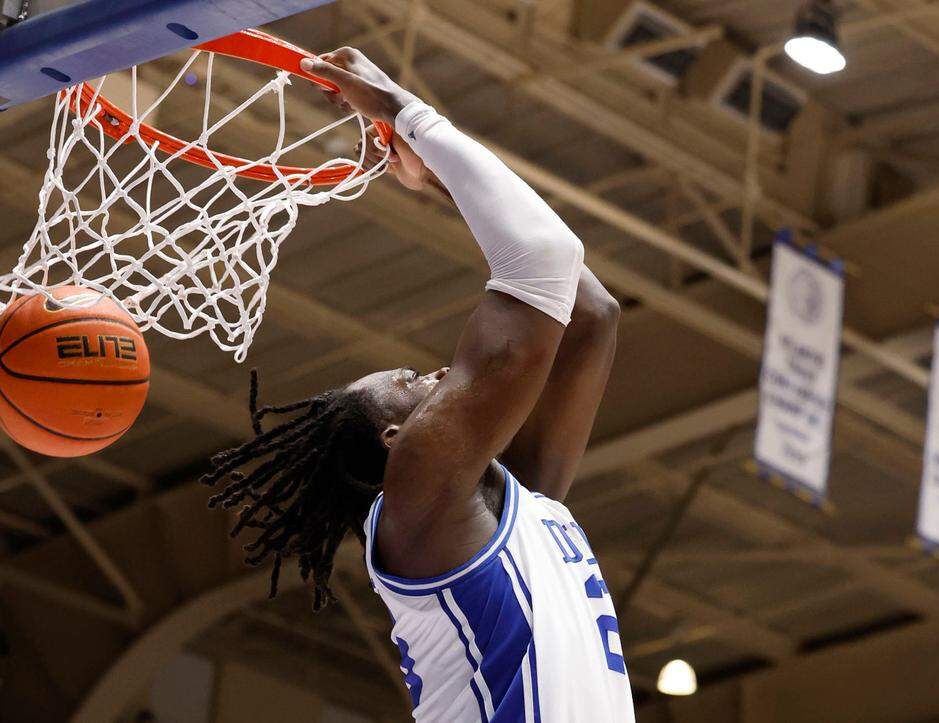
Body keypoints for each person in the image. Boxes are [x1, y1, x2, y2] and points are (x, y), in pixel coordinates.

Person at [201, 46, 632, 722]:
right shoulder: (418, 497)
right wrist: (407, 113)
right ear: (398, 439)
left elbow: (593, 316)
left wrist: (437, 178)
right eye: (407, 380)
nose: (433, 370)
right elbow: (546, 260)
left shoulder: (511, 504)